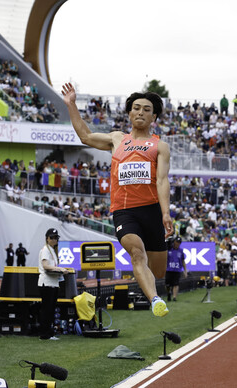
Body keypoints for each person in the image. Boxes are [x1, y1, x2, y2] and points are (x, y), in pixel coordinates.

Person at [62, 83, 174, 317]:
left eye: (146, 109)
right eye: (136, 108)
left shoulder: (159, 146)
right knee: (137, 253)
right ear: (129, 113)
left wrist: (165, 213)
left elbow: (162, 181)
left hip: (152, 209)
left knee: (159, 271)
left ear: (154, 116)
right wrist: (71, 105)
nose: (140, 112)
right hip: (125, 211)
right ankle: (155, 301)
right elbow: (85, 135)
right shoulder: (116, 139)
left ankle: (154, 289)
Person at [38, 228, 68, 340]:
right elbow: (45, 266)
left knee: (50, 310)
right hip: (47, 283)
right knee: (47, 310)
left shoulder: (52, 250)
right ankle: (45, 334)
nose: (54, 240)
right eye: (52, 238)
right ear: (47, 238)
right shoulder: (46, 250)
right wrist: (60, 269)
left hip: (53, 283)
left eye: (56, 238)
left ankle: (49, 333)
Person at [165, 236, 187, 301]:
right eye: (176, 242)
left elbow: (183, 261)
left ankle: (174, 297)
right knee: (167, 284)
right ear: (174, 242)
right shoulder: (169, 250)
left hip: (177, 269)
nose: (177, 244)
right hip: (169, 269)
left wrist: (185, 271)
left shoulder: (181, 251)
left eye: (179, 243)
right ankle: (169, 293)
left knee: (176, 284)